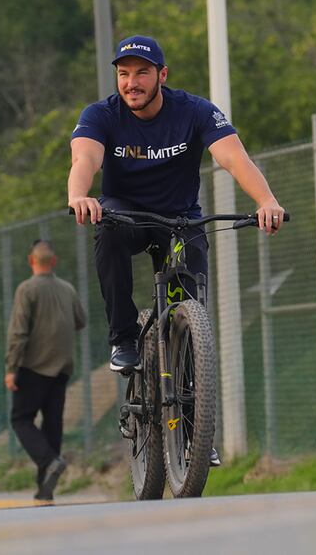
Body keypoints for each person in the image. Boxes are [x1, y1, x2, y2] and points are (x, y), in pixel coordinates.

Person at [67, 35, 285, 467]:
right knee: (106, 232)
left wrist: (267, 202)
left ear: (161, 76)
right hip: (125, 215)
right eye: (124, 74)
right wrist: (80, 196)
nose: (132, 82)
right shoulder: (101, 115)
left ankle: (193, 432)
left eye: (142, 73)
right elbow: (84, 161)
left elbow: (233, 158)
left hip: (180, 219)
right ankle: (124, 337)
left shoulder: (196, 111)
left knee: (190, 318)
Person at [4, 240, 86, 503]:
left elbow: (18, 331)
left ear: (31, 260)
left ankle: (50, 461)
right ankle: (45, 488)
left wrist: (11, 367)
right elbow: (80, 321)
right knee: (53, 425)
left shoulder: (26, 289)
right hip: (61, 367)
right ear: (54, 261)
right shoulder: (68, 289)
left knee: (21, 419)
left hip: (33, 367)